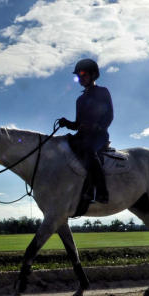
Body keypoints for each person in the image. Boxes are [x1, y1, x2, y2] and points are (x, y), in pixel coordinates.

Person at [57, 57, 112, 204]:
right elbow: (77, 124)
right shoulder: (79, 100)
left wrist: (97, 126)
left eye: (83, 75)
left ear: (93, 75)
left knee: (88, 149)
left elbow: (109, 116)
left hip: (99, 136)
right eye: (78, 76)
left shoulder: (102, 92)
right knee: (62, 146)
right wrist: (66, 123)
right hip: (82, 136)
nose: (80, 78)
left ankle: (101, 192)